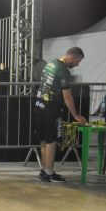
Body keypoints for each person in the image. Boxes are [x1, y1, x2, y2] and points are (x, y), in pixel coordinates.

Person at [33, 47, 87, 183]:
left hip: (40, 106)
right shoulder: (63, 71)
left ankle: (44, 171)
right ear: (72, 57)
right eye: (78, 61)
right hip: (52, 110)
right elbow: (67, 96)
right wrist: (76, 116)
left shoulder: (50, 64)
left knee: (44, 140)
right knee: (51, 141)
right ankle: (49, 173)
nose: (77, 64)